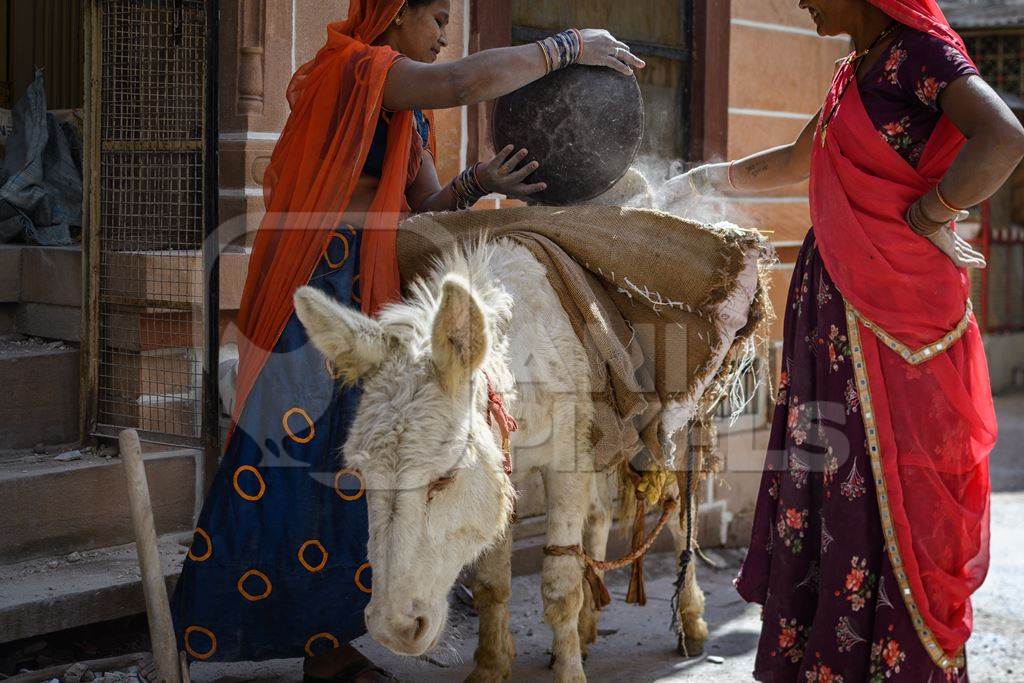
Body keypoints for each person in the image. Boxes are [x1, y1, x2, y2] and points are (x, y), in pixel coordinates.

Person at [169, 1, 644, 681]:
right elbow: (460, 83)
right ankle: (241, 629)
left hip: (375, 289)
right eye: (436, 17)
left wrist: (482, 182)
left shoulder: (403, 113)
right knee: (287, 466)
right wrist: (568, 48)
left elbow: (424, 208)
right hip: (323, 289)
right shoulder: (357, 70)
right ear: (393, 17)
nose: (445, 33)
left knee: (356, 479)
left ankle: (333, 645)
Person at [662, 0, 1019, 680]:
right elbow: (800, 159)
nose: (800, 1)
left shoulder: (921, 55)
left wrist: (933, 210)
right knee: (836, 479)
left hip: (893, 319)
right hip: (834, 313)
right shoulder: (855, 70)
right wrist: (705, 181)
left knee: (893, 486)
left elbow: (1003, 135)